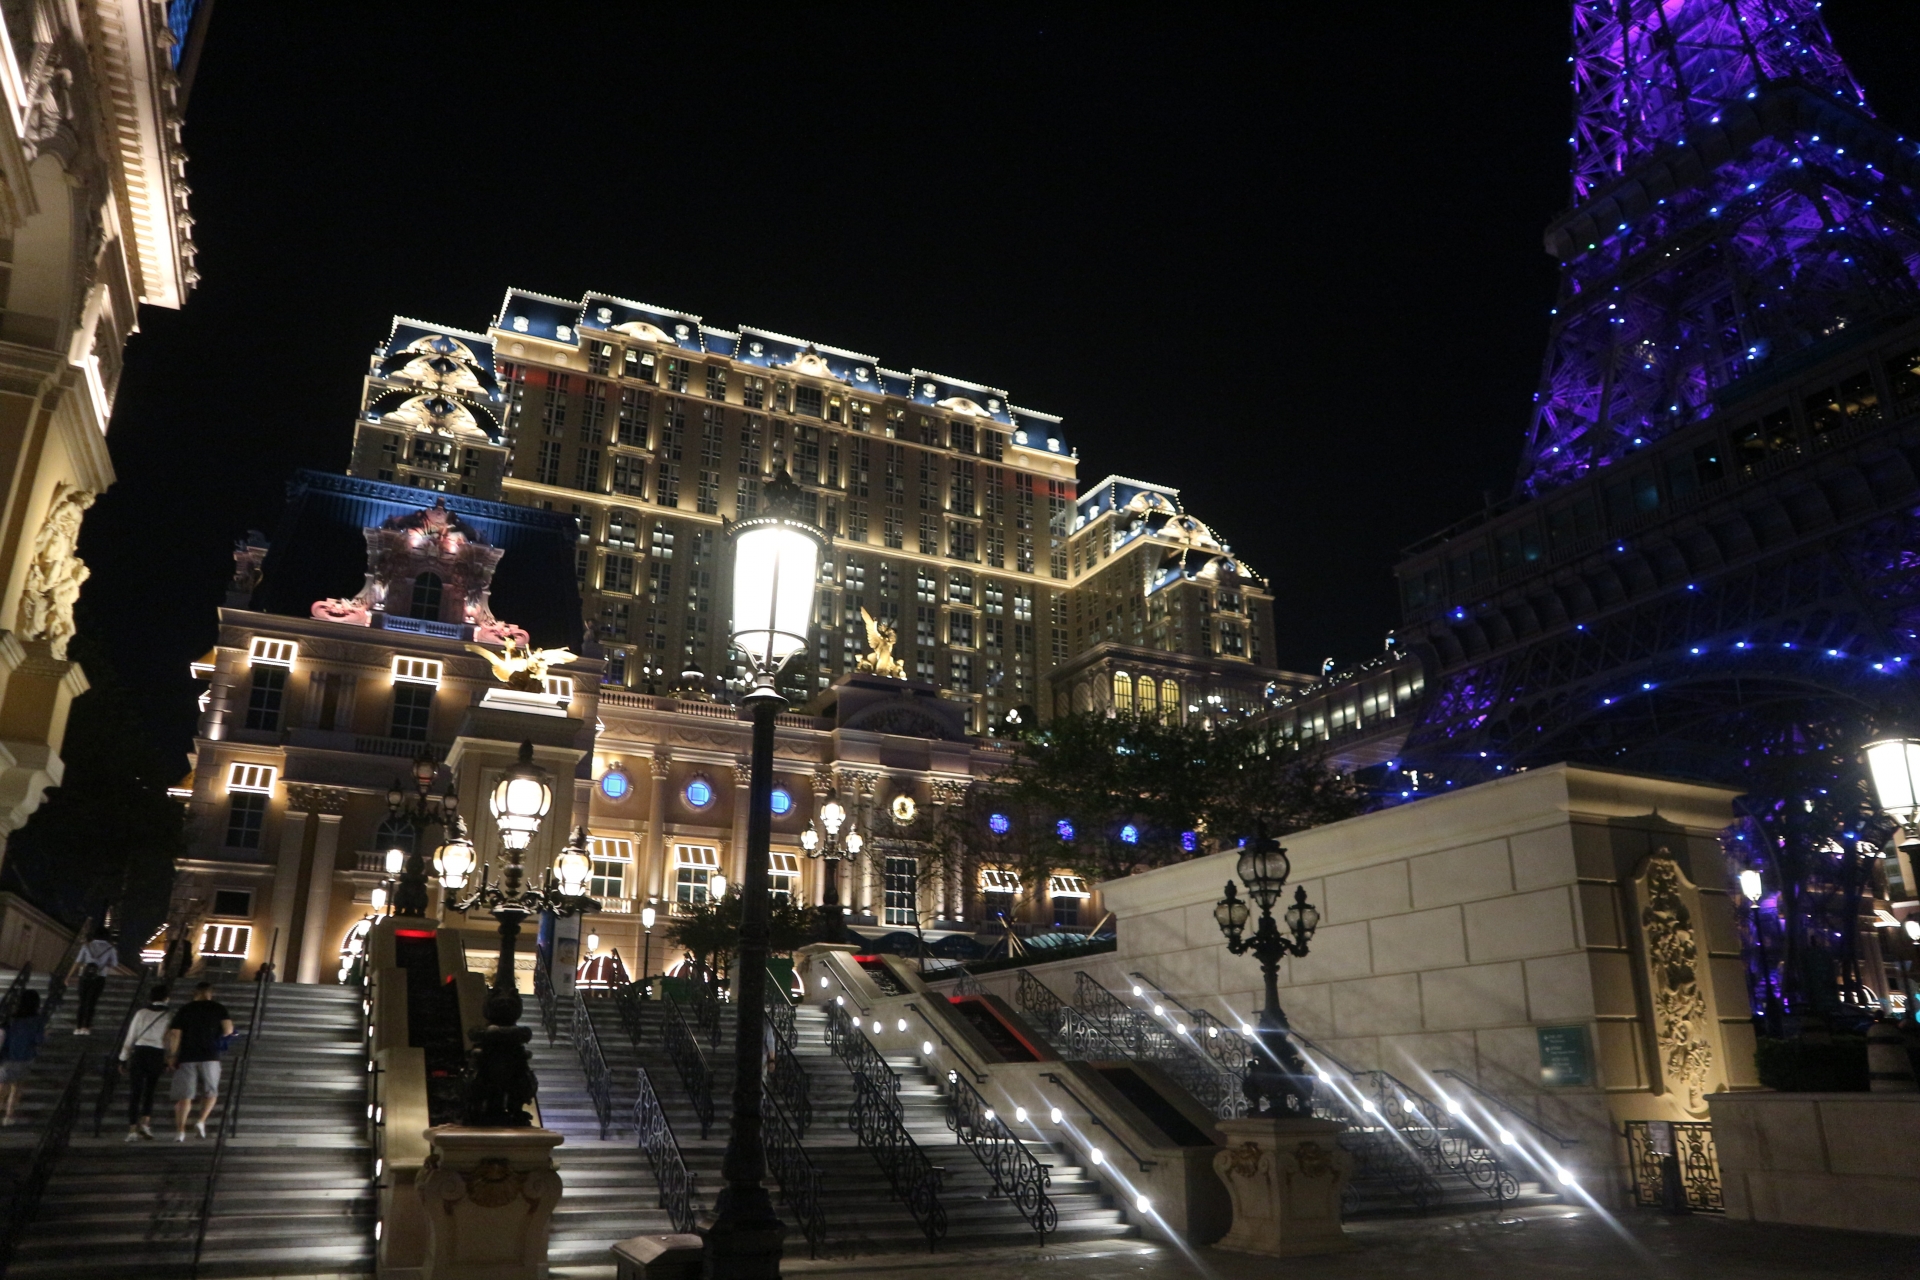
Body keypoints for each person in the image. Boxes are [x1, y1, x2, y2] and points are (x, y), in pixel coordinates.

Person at [165, 982, 232, 1141]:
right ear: (210, 993)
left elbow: (175, 1034)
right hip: (211, 1055)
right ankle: (201, 1121)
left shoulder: (185, 1009)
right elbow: (228, 1030)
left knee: (185, 1096)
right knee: (211, 1092)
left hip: (187, 1056)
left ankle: (180, 1132)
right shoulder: (218, 1008)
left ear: (195, 993)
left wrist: (172, 1055)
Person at [117, 984, 171, 1141]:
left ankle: (132, 1129)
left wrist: (123, 1058)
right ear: (166, 999)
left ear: (150, 998)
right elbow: (169, 1040)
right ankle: (145, 1124)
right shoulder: (169, 1016)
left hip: (140, 1053)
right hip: (157, 1054)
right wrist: (168, 1059)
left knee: (135, 1091)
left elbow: (131, 1036)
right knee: (150, 1091)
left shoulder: (141, 1013)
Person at [0, 989, 47, 1125]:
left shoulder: (11, 1019)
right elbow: (38, 1040)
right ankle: (9, 1116)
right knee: (17, 1086)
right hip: (25, 1058)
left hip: (7, 1057)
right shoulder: (37, 1021)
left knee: (3, 1085)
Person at [70, 929, 118, 1035]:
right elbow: (114, 964)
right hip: (99, 977)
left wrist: (69, 976)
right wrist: (104, 963)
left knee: (82, 1002)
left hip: (85, 976)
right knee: (92, 1002)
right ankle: (86, 1027)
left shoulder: (86, 946)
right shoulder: (111, 949)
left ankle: (77, 1027)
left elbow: (78, 961)